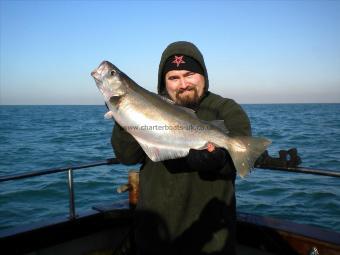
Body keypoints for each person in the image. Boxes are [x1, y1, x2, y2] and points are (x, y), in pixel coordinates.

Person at [111, 41, 251, 254]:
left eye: (189, 75)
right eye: (174, 78)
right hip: (153, 236)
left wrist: (220, 160)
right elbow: (127, 157)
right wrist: (124, 116)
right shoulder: (146, 107)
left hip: (210, 239)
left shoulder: (226, 109)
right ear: (163, 82)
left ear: (203, 75)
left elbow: (243, 154)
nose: (183, 84)